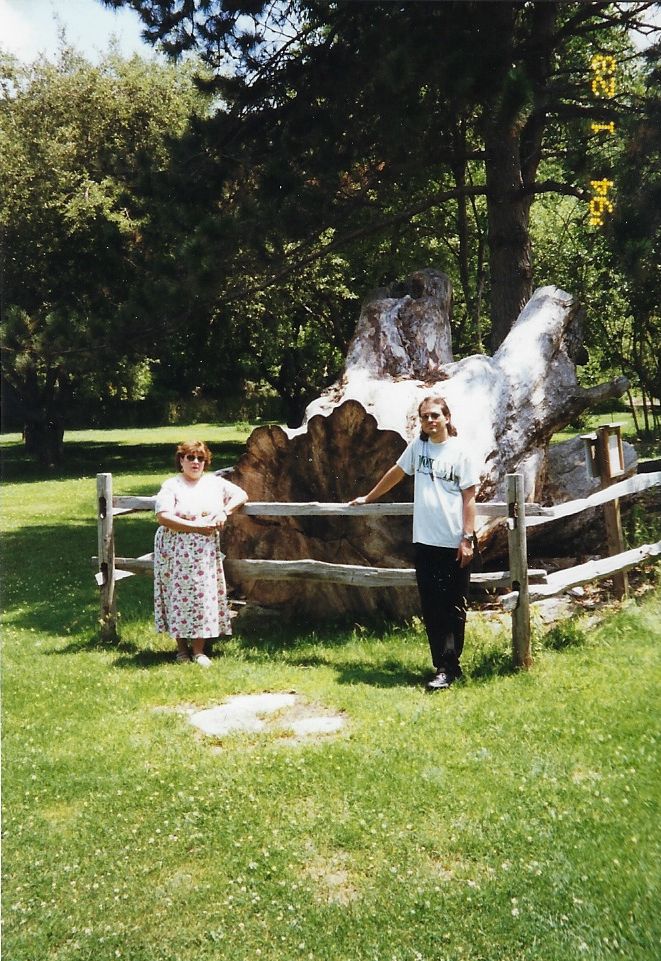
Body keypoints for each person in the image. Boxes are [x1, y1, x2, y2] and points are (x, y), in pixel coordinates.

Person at [350, 394, 479, 690]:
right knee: (432, 606)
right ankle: (444, 667)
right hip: (425, 541)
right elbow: (396, 473)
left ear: (447, 417)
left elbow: (469, 498)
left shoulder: (460, 452)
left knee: (453, 605)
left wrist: (468, 539)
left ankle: (451, 665)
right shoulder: (418, 448)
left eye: (435, 415)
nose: (430, 421)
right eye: (425, 417)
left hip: (454, 541)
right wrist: (369, 497)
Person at [154, 441, 248, 667]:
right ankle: (181, 649)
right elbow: (163, 516)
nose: (195, 462)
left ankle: (198, 650)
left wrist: (224, 511)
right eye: (190, 458)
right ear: (181, 460)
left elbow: (242, 495)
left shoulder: (214, 483)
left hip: (204, 550)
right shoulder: (172, 485)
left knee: (204, 596)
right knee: (177, 596)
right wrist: (195, 528)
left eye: (200, 459)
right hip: (175, 549)